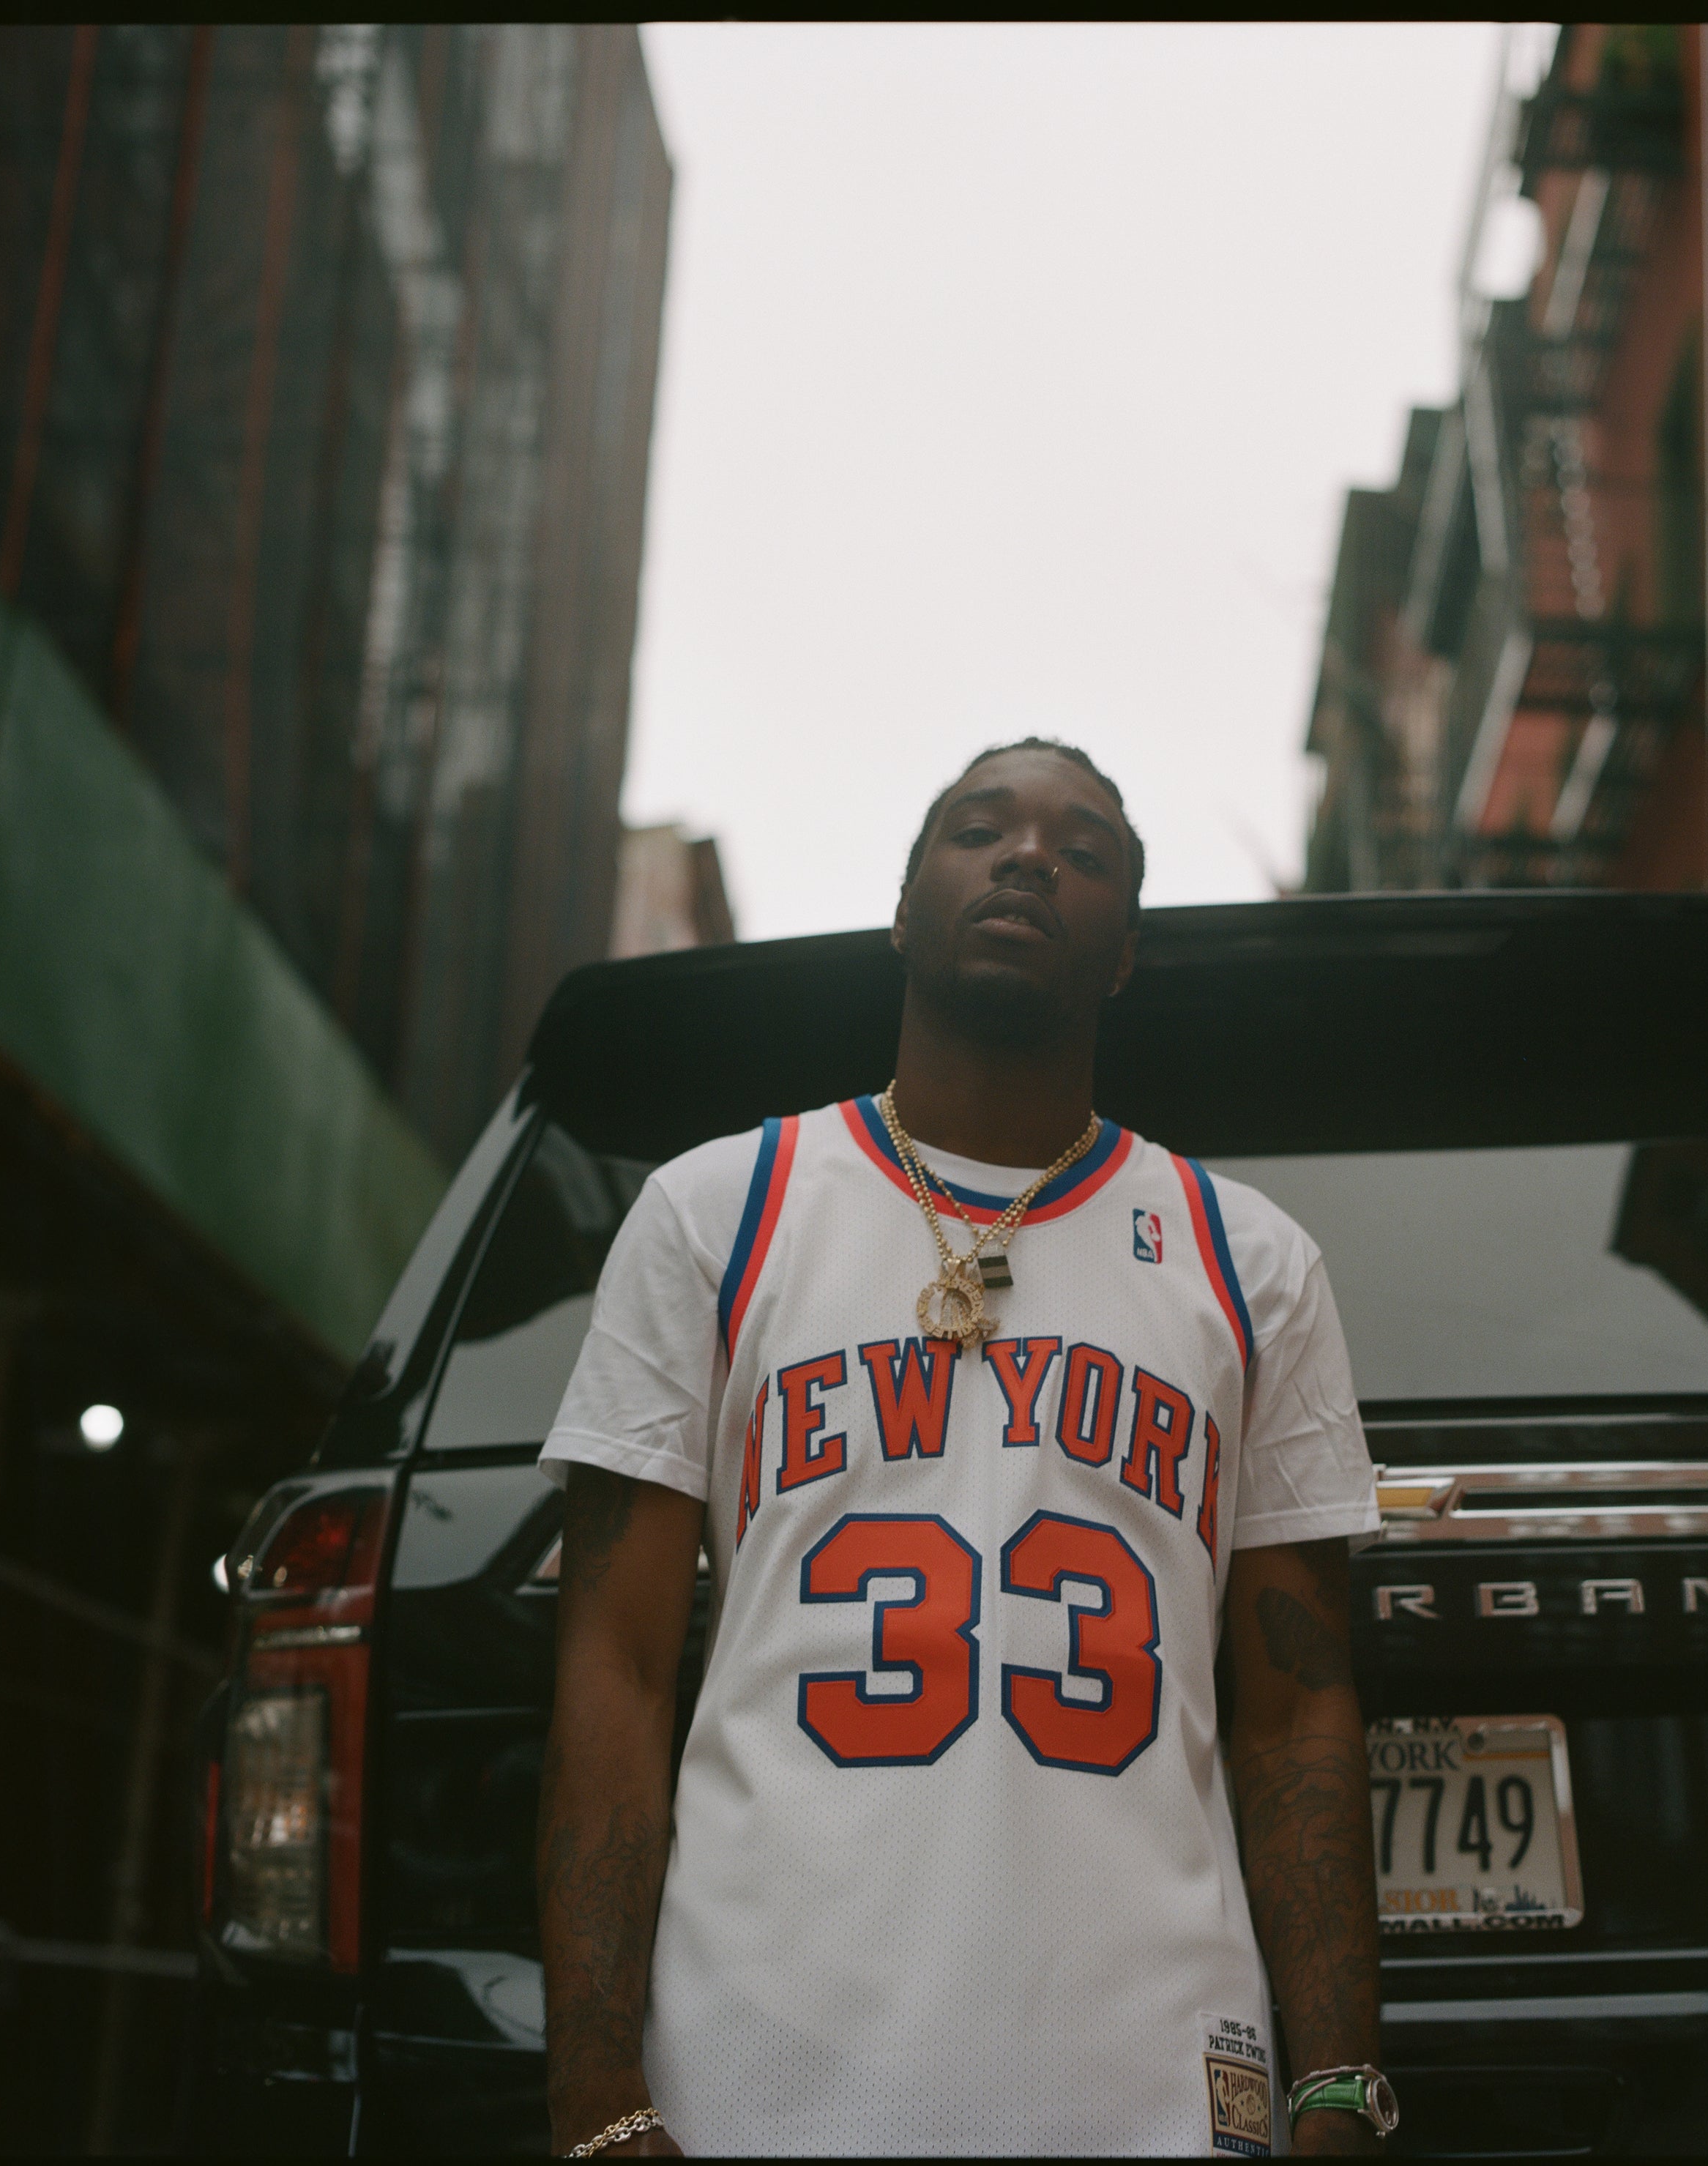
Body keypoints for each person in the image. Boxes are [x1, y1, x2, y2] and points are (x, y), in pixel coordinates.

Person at [536, 737, 1393, 2157]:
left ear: (1123, 952)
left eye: (1087, 851)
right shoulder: (718, 1214)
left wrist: (1339, 2085)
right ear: (902, 905)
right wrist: (594, 2095)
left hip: (1159, 2092)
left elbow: (1296, 1708)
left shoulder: (1253, 1264)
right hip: (756, 2084)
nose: (1029, 858)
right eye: (979, 828)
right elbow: (613, 1667)